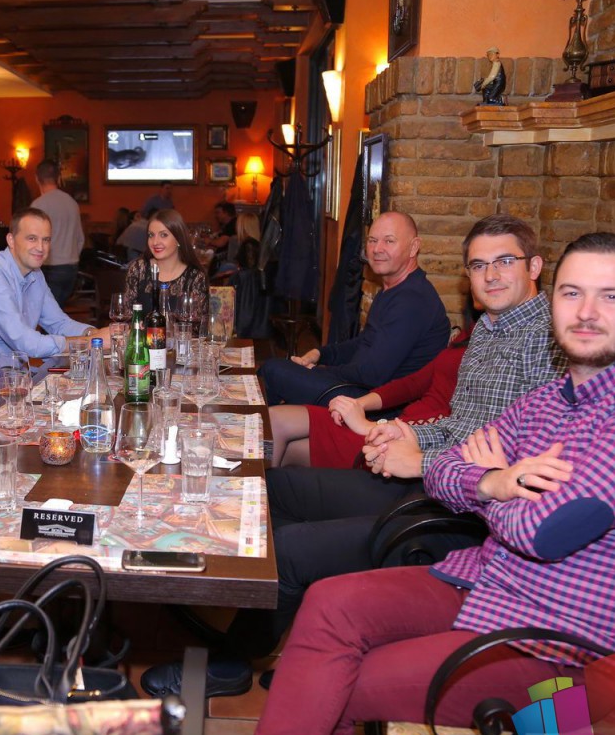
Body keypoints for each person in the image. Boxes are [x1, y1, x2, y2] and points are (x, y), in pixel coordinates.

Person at [237, 232, 615, 735]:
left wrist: (487, 487)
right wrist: (494, 482)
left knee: (337, 685)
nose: (586, 312)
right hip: (491, 588)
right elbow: (445, 466)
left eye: (611, 296)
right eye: (572, 293)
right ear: (554, 301)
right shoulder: (551, 399)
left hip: (569, 655)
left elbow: (545, 532)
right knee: (328, 603)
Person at [141, 214, 560, 699]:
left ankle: (233, 663)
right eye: (479, 265)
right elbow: (460, 427)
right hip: (432, 481)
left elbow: (506, 461)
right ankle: (283, 624)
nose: (490, 275)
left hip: (464, 516)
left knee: (292, 548)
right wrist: (394, 432)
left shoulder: (547, 342)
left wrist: (418, 458)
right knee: (274, 489)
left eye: (504, 262)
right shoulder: (489, 327)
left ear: (534, 266)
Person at [257, 212, 449, 406]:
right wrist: (320, 354)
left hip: (380, 404)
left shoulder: (412, 300)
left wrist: (318, 371)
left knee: (272, 371)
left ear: (414, 247)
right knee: (278, 372)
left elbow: (372, 374)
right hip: (361, 389)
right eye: (372, 240)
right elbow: (363, 343)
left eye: (389, 241)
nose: (377, 249)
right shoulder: (393, 290)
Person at [270, 325, 471, 468]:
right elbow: (412, 384)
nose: (484, 279)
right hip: (395, 421)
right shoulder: (473, 332)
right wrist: (358, 404)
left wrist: (370, 425)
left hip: (405, 440)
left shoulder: (414, 300)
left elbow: (452, 427)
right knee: (273, 418)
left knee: (288, 448)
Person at [0, 208, 108, 363]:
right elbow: (27, 343)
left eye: (46, 240)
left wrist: (93, 333)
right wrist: (92, 342)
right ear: (11, 240)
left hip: (12, 369)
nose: (40, 247)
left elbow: (58, 322)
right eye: (32, 238)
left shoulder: (35, 274)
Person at [121, 208, 210, 325]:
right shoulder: (138, 269)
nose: (155, 242)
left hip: (181, 338)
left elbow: (199, 327)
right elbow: (127, 318)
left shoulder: (195, 277)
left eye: (163, 235)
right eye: (151, 235)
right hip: (142, 337)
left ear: (179, 239)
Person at [31, 159, 85, 306]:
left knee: (45, 313)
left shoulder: (39, 205)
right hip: (71, 267)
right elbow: (80, 239)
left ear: (37, 179)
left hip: (49, 268)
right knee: (57, 312)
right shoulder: (72, 203)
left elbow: (32, 241)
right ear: (58, 178)